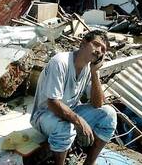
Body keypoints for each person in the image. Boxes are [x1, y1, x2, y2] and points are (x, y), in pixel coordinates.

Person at [30, 30, 117, 164]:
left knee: (109, 114)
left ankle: (89, 163)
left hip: (70, 110)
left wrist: (95, 73)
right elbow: (52, 103)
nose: (99, 50)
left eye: (103, 49)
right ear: (82, 44)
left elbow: (98, 104)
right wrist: (79, 121)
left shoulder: (89, 68)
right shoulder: (60, 62)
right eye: (96, 44)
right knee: (66, 127)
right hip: (44, 115)